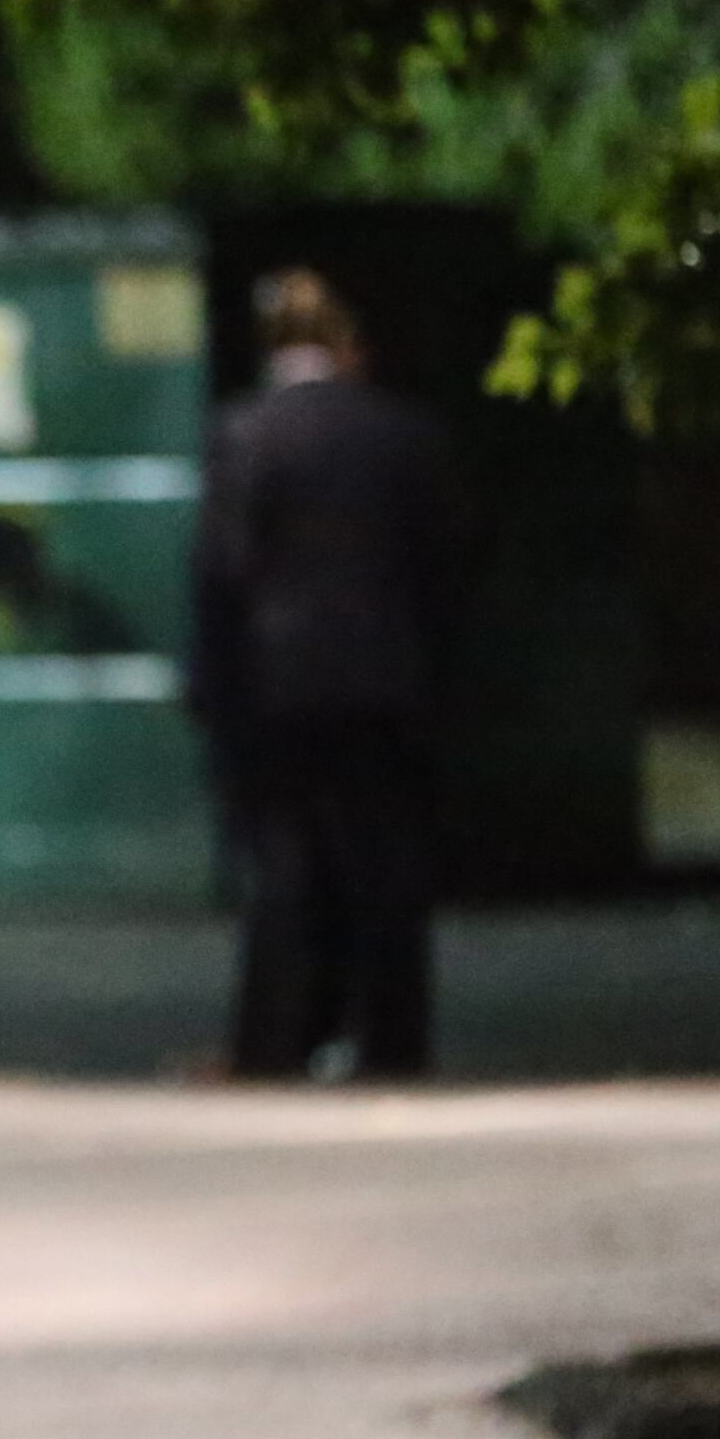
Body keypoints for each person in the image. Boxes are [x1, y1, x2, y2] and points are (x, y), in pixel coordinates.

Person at [188, 267, 462, 1080]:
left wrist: (213, 685)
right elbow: (449, 561)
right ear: (346, 343)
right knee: (386, 863)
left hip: (279, 686)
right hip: (385, 677)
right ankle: (395, 1041)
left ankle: (274, 1042)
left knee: (284, 866)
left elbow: (221, 572)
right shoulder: (404, 434)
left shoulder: (245, 433)